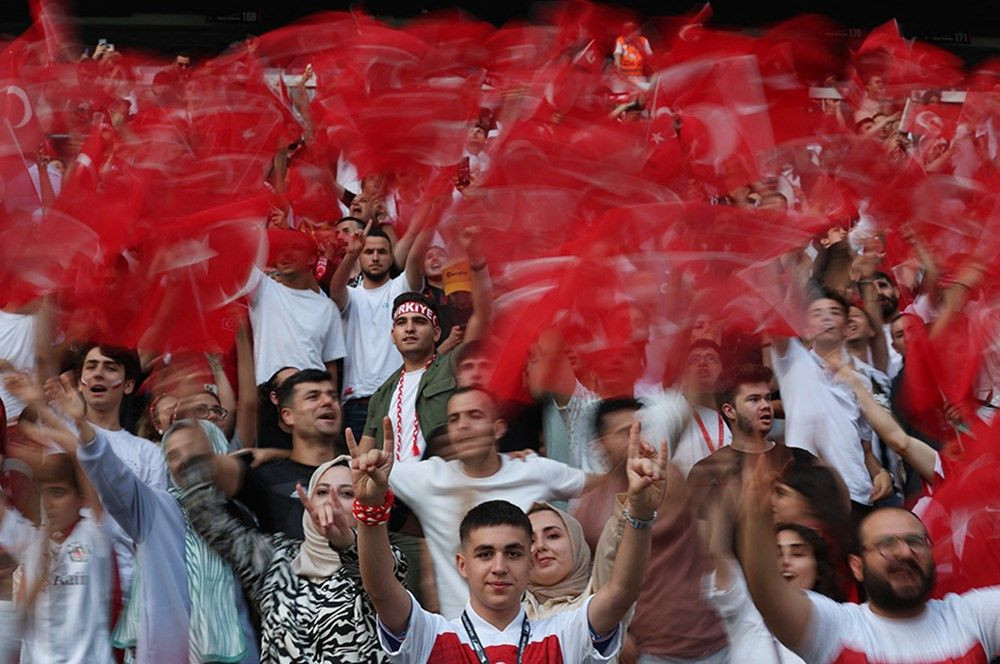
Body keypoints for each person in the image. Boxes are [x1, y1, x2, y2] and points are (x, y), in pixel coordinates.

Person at [350, 407, 668, 663]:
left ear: (531, 563)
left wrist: (640, 514)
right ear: (462, 564)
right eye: (485, 554)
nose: (499, 566)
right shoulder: (430, 634)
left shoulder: (563, 633)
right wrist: (370, 508)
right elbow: (381, 590)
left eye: (513, 553)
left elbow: (621, 592)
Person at [35, 377, 259, 664]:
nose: (183, 461)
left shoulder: (242, 514)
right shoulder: (154, 508)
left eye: (192, 450)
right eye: (173, 455)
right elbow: (113, 475)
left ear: (215, 451)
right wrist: (83, 427)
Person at [739, 453, 1000, 663]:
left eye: (915, 542)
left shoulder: (971, 617)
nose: (904, 552)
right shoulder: (836, 629)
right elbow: (767, 589)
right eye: (886, 544)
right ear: (857, 567)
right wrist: (755, 514)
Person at [379, 386, 597, 619]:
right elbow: (354, 476)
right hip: (461, 639)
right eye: (454, 419)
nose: (463, 425)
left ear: (498, 429)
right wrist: (373, 464)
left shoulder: (531, 470)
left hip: (529, 632)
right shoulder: (428, 478)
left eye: (475, 415)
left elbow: (602, 486)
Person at [179, 446, 405, 663]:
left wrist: (345, 541)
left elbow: (376, 582)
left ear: (362, 505)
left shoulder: (385, 562)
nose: (331, 501)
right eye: (322, 492)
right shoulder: (277, 558)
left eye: (347, 493)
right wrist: (194, 460)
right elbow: (213, 525)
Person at [573, 397, 729, 664]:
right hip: (649, 649)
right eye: (624, 432)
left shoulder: (671, 479)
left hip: (711, 635)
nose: (636, 438)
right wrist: (613, 633)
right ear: (599, 445)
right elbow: (589, 586)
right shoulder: (588, 509)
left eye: (640, 429)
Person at [0, 391, 115, 664]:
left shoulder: (96, 534)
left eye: (60, 493)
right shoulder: (32, 542)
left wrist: (52, 414)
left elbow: (79, 454)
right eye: (47, 494)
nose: (50, 503)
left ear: (81, 498)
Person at [359, 236, 491, 457]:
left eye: (419, 321)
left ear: (437, 333)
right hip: (393, 489)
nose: (409, 328)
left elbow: (483, 314)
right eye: (402, 322)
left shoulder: (452, 366)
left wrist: (477, 263)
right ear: (393, 335)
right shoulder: (381, 394)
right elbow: (362, 456)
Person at [769, 291, 894, 519]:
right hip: (813, 493)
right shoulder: (794, 361)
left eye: (834, 313)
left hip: (859, 493)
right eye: (817, 314)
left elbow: (865, 448)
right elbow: (775, 318)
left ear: (847, 327)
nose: (826, 318)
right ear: (806, 328)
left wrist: (881, 473)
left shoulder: (862, 381)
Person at [706, 481, 844, 664]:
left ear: (817, 568)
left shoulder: (839, 622)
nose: (786, 562)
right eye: (776, 554)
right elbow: (718, 551)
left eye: (797, 554)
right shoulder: (745, 609)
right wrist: (729, 492)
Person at [74, 345, 167, 598]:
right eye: (91, 366)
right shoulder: (60, 435)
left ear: (128, 385)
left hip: (123, 588)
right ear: (80, 383)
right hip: (65, 582)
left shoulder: (149, 452)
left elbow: (152, 527)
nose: (98, 374)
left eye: (110, 367)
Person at [215, 368, 343, 539]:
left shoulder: (358, 474)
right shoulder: (264, 477)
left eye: (333, 396)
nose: (327, 401)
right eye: (313, 396)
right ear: (288, 416)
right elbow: (204, 474)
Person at [330, 223, 425, 437]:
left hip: (402, 398)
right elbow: (335, 291)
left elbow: (417, 258)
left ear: (392, 258)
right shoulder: (352, 295)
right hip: (358, 403)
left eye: (382, 252)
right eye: (368, 252)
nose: (375, 257)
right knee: (361, 468)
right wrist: (350, 254)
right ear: (360, 257)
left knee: (403, 469)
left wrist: (431, 216)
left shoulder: (401, 287)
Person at [249, 229, 346, 390]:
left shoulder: (327, 308)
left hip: (312, 396)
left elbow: (330, 365)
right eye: (281, 250)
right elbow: (235, 256)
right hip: (272, 393)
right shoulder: (262, 290)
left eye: (295, 248)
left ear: (311, 259)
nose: (286, 254)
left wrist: (332, 398)